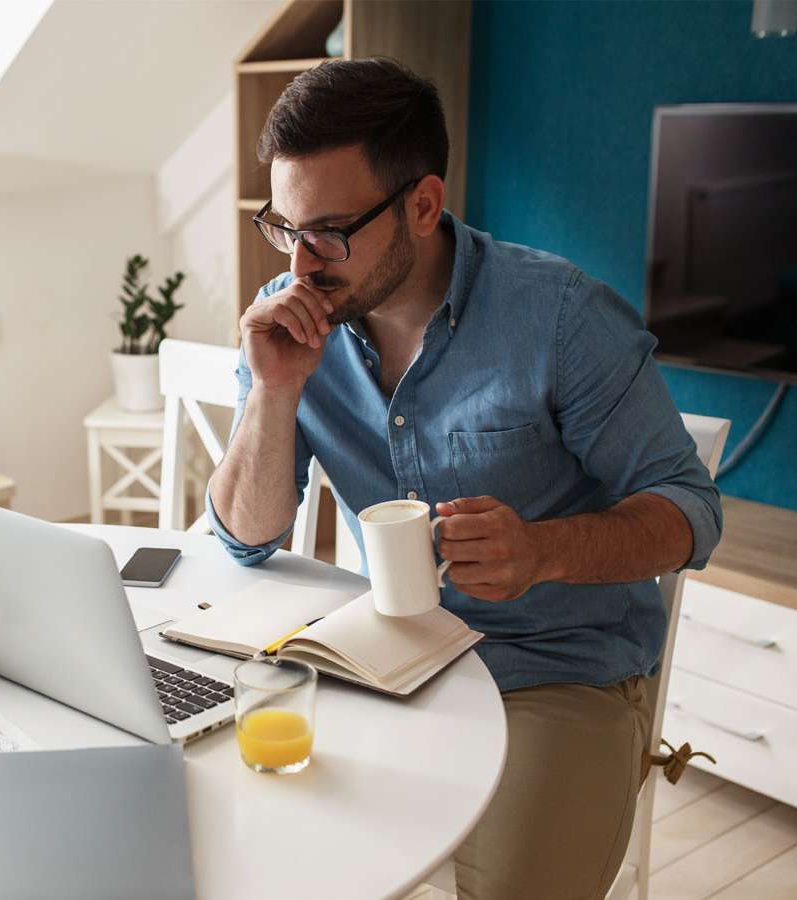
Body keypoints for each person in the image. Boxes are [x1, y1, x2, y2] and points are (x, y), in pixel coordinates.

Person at [207, 58, 722, 900]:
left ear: (422, 204)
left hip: (558, 673)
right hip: (386, 661)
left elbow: (692, 512)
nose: (302, 264)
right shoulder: (297, 317)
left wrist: (541, 551)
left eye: (330, 232)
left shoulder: (559, 318)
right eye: (285, 228)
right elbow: (246, 536)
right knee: (242, 847)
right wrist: (274, 391)